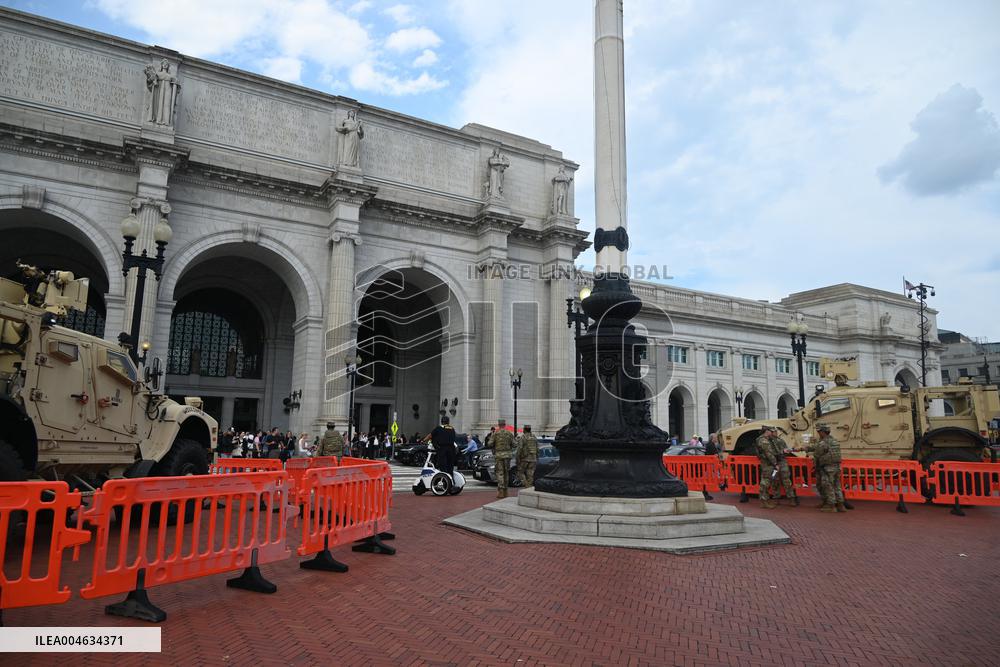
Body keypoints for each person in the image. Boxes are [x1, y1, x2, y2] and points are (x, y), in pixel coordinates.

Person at [806, 423, 847, 513]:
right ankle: (841, 505)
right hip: (836, 467)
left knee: (827, 486)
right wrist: (804, 448)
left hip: (827, 468)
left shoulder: (823, 442)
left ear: (823, 432)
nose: (818, 433)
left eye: (819, 431)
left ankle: (831, 506)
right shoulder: (834, 440)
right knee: (837, 486)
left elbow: (817, 453)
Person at [756, 425, 798, 509]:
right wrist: (775, 463)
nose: (774, 432)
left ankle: (791, 498)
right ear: (767, 431)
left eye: (774, 431)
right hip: (770, 463)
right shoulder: (764, 440)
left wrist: (783, 452)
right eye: (772, 431)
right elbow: (769, 454)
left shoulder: (777, 440)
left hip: (778, 462)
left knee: (785, 480)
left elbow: (774, 452)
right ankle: (769, 500)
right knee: (770, 481)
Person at [489, 419, 515, 499]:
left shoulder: (495, 433)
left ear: (499, 424)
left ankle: (501, 491)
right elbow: (514, 444)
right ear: (505, 424)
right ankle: (506, 491)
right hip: (507, 456)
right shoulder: (509, 433)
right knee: (506, 472)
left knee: (500, 473)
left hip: (499, 455)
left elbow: (489, 444)